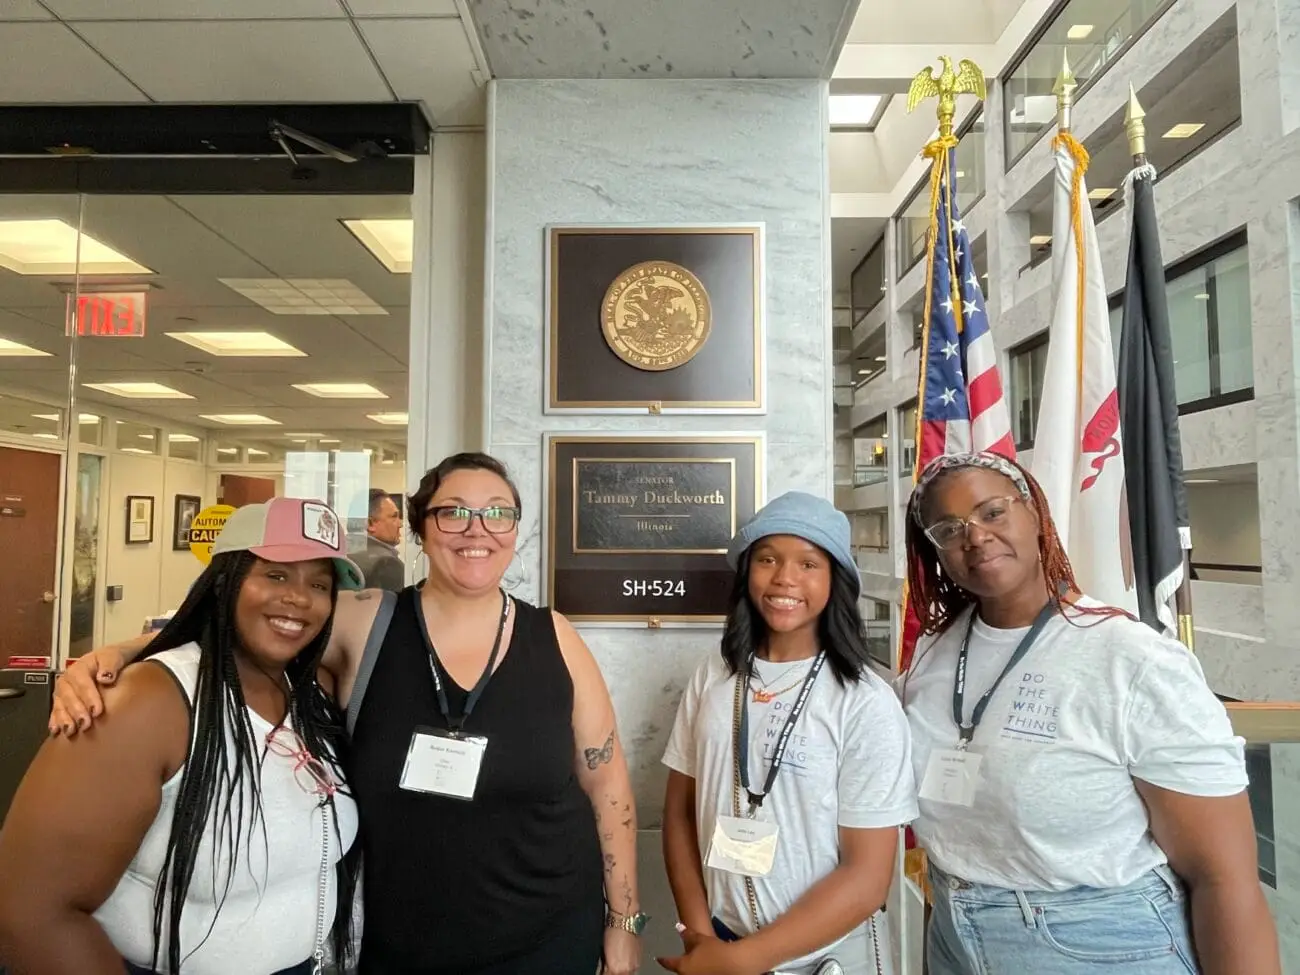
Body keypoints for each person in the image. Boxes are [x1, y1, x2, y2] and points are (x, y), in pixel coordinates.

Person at [47, 452, 643, 975]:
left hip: (548, 933)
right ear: (420, 527)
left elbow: (606, 782)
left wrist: (624, 921)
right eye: (453, 511)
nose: (476, 530)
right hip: (399, 940)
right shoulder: (366, 620)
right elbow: (234, 629)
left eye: (498, 513)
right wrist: (112, 657)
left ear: (516, 530)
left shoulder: (555, 637)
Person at [901, 451, 1280, 975]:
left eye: (992, 512)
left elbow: (1225, 878)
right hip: (954, 935)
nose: (975, 536)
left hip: (1100, 945)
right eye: (948, 528)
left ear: (1035, 513)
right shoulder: (933, 654)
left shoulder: (1131, 658)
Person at [0, 497, 363, 975]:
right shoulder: (147, 703)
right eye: (275, 575)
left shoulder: (307, 692)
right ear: (223, 583)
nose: (299, 598)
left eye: (319, 584)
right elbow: (31, 912)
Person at [659, 491, 916, 975]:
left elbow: (866, 878)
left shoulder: (864, 703)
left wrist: (741, 961)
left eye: (808, 564)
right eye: (768, 559)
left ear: (835, 579)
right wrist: (704, 940)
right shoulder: (714, 675)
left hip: (826, 959)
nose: (785, 579)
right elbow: (677, 814)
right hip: (718, 944)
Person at [349, 488, 405, 592]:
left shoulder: (340, 555)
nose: (400, 524)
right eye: (394, 517)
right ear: (370, 524)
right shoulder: (387, 564)